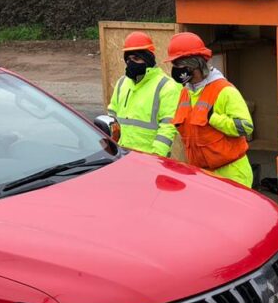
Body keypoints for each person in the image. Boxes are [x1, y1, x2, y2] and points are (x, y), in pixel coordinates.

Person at [167, 32, 255, 188]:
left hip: (232, 174)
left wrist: (214, 118)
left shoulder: (224, 90)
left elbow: (246, 127)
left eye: (179, 65)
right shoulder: (185, 93)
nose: (176, 70)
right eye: (174, 65)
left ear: (196, 65)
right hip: (202, 175)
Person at [107, 32, 180, 157]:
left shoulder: (166, 85)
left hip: (151, 158)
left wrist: (156, 156)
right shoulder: (122, 83)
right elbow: (112, 117)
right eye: (128, 59)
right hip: (122, 155)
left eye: (136, 59)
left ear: (148, 59)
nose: (131, 63)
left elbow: (168, 126)